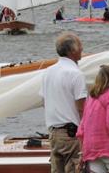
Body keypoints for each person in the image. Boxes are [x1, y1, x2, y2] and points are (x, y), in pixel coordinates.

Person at [41, 32, 87, 173]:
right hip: (71, 135)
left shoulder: (47, 72)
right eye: (80, 46)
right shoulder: (75, 73)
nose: (82, 48)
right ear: (72, 50)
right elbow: (82, 109)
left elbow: (44, 101)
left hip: (53, 133)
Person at [77, 64, 109, 173]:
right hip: (108, 147)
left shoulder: (91, 98)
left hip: (90, 148)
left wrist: (82, 152)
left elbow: (82, 129)